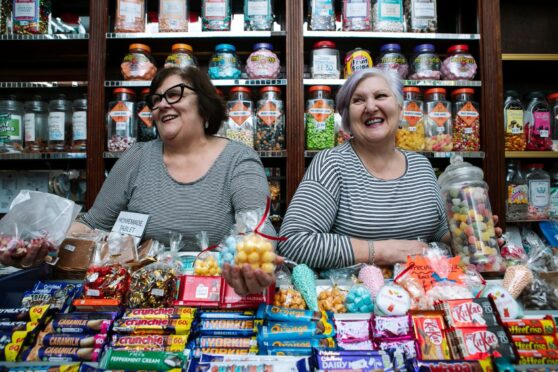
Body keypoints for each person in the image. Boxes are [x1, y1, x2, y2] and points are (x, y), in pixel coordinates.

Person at [62, 66, 277, 294]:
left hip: (219, 296)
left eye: (174, 94)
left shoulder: (238, 159)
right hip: (146, 299)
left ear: (203, 103)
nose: (162, 105)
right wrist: (46, 243)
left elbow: (258, 226)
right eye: (155, 100)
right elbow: (91, 224)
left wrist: (252, 261)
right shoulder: (136, 158)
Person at [278, 68, 501, 269]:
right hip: (354, 301)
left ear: (400, 107)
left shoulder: (421, 166)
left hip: (426, 296)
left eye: (381, 96)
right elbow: (294, 242)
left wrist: (469, 237)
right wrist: (385, 251)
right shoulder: (331, 164)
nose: (371, 107)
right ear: (346, 116)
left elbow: (440, 231)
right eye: (358, 100)